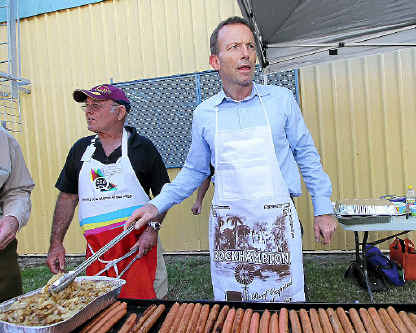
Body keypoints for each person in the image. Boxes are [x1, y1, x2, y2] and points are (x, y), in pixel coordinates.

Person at [126, 16, 337, 302]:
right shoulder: (204, 113)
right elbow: (195, 170)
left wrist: (322, 208)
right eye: (234, 46)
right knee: (235, 309)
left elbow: (307, 156)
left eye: (250, 46)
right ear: (215, 61)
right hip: (230, 234)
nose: (245, 53)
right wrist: (156, 205)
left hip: (275, 226)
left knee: (283, 307)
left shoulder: (281, 100)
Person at [47, 84, 169, 299]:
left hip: (139, 249)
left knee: (147, 310)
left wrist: (152, 230)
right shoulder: (80, 150)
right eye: (87, 106)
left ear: (120, 112)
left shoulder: (143, 147)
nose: (88, 111)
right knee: (101, 310)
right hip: (98, 253)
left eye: (97, 106)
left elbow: (163, 194)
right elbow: (67, 197)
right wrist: (56, 243)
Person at [0, 126, 35, 302]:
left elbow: (17, 189)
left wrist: (12, 219)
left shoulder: (3, 139)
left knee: (10, 314)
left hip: (1, 253)